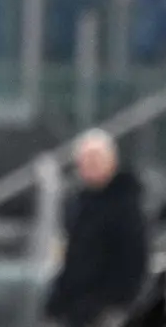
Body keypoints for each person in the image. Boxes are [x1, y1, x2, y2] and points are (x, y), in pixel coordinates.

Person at [45, 129, 149, 327]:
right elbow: (70, 259)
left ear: (112, 162)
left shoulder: (126, 206)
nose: (90, 165)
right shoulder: (78, 204)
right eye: (85, 160)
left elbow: (134, 262)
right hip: (75, 308)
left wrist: (108, 305)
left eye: (96, 158)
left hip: (108, 310)